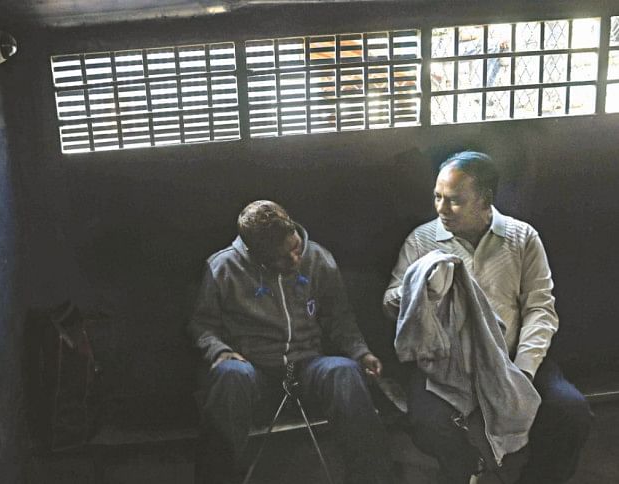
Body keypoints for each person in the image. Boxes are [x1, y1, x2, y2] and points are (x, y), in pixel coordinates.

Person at [383, 151, 592, 483]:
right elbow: (390, 303)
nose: (441, 208)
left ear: (485, 200)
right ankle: (468, 471)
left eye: (454, 201)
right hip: (447, 366)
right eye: (437, 196)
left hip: (510, 358)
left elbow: (540, 309)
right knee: (428, 425)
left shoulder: (522, 238)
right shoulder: (422, 240)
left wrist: (523, 370)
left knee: (571, 412)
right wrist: (421, 286)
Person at [189, 200, 392, 484]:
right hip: (254, 371)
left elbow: (340, 318)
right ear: (256, 255)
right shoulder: (222, 267)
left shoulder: (318, 258)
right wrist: (219, 351)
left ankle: (371, 479)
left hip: (308, 366)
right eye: (283, 259)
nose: (296, 259)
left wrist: (361, 352)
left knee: (343, 371)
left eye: (296, 248)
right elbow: (202, 325)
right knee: (229, 375)